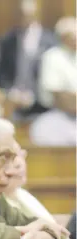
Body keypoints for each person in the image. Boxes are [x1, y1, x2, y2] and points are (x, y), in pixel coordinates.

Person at [30, 16, 76, 147]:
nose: (75, 39)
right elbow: (61, 98)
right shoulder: (52, 57)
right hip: (56, 116)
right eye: (71, 35)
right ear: (62, 36)